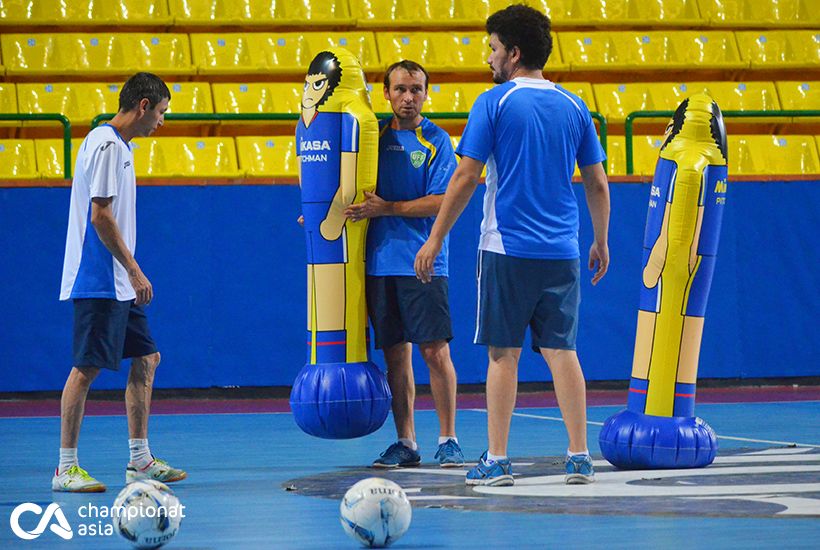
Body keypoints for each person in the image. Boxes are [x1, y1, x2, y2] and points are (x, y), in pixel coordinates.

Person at [414, 5, 610, 486]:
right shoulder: (574, 105)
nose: (489, 58)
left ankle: (498, 459)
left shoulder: (494, 102)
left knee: (503, 354)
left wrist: (435, 237)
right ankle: (580, 456)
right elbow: (598, 183)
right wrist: (601, 239)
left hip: (506, 249)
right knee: (563, 351)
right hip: (563, 249)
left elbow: (464, 176)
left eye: (493, 48)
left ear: (514, 53)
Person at [53, 72, 186, 492]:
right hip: (100, 277)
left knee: (146, 359)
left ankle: (140, 461)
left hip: (117, 281)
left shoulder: (116, 144)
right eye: (161, 112)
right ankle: (65, 468)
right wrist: (133, 267)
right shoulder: (108, 144)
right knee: (86, 368)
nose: (162, 122)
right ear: (143, 106)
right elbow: (100, 215)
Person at [344, 60, 464, 468]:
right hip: (378, 263)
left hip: (422, 261)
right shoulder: (371, 137)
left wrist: (387, 208)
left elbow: (442, 201)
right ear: (386, 94)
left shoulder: (437, 141)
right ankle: (406, 442)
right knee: (396, 356)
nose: (408, 97)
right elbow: (344, 185)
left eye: (416, 90)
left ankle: (448, 439)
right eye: (400, 90)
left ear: (426, 94)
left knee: (434, 352)